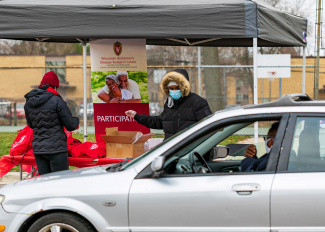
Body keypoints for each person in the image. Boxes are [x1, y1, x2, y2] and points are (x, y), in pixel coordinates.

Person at [125, 69, 212, 140]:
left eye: (177, 88)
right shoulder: (170, 103)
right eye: (171, 88)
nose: (174, 91)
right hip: (170, 150)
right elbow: (160, 122)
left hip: (188, 151)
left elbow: (208, 128)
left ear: (184, 86)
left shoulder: (198, 102)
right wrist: (138, 117)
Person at [24, 71, 79, 175]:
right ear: (54, 86)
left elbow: (31, 125)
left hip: (39, 150)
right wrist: (77, 120)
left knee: (45, 183)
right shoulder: (57, 100)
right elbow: (71, 125)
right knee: (60, 183)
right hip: (56, 149)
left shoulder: (29, 101)